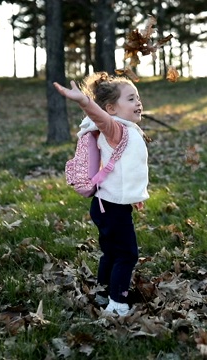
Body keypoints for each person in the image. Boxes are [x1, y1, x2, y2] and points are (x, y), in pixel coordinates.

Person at [53, 72, 149, 316]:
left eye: (137, 98)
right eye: (130, 99)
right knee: (127, 254)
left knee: (112, 252)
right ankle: (117, 302)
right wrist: (84, 102)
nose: (138, 103)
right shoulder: (114, 128)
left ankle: (102, 292)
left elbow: (127, 170)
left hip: (108, 204)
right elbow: (99, 116)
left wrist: (134, 196)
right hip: (112, 208)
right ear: (110, 108)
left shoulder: (126, 130)